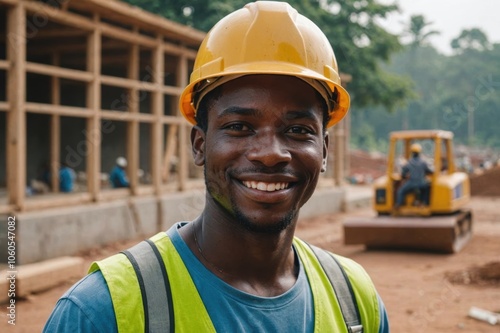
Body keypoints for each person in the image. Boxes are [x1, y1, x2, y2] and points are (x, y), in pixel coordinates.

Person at [44, 2, 389, 332]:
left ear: (324, 150)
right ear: (199, 145)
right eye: (239, 126)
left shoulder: (356, 302)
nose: (270, 154)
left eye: (298, 130)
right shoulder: (102, 312)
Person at [396, 143, 434, 207]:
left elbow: (403, 173)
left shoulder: (409, 162)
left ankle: (399, 204)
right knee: (427, 188)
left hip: (411, 183)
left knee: (401, 191)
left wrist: (404, 176)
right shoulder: (423, 162)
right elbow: (430, 171)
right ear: (419, 153)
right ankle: (424, 203)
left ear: (412, 153)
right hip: (422, 183)